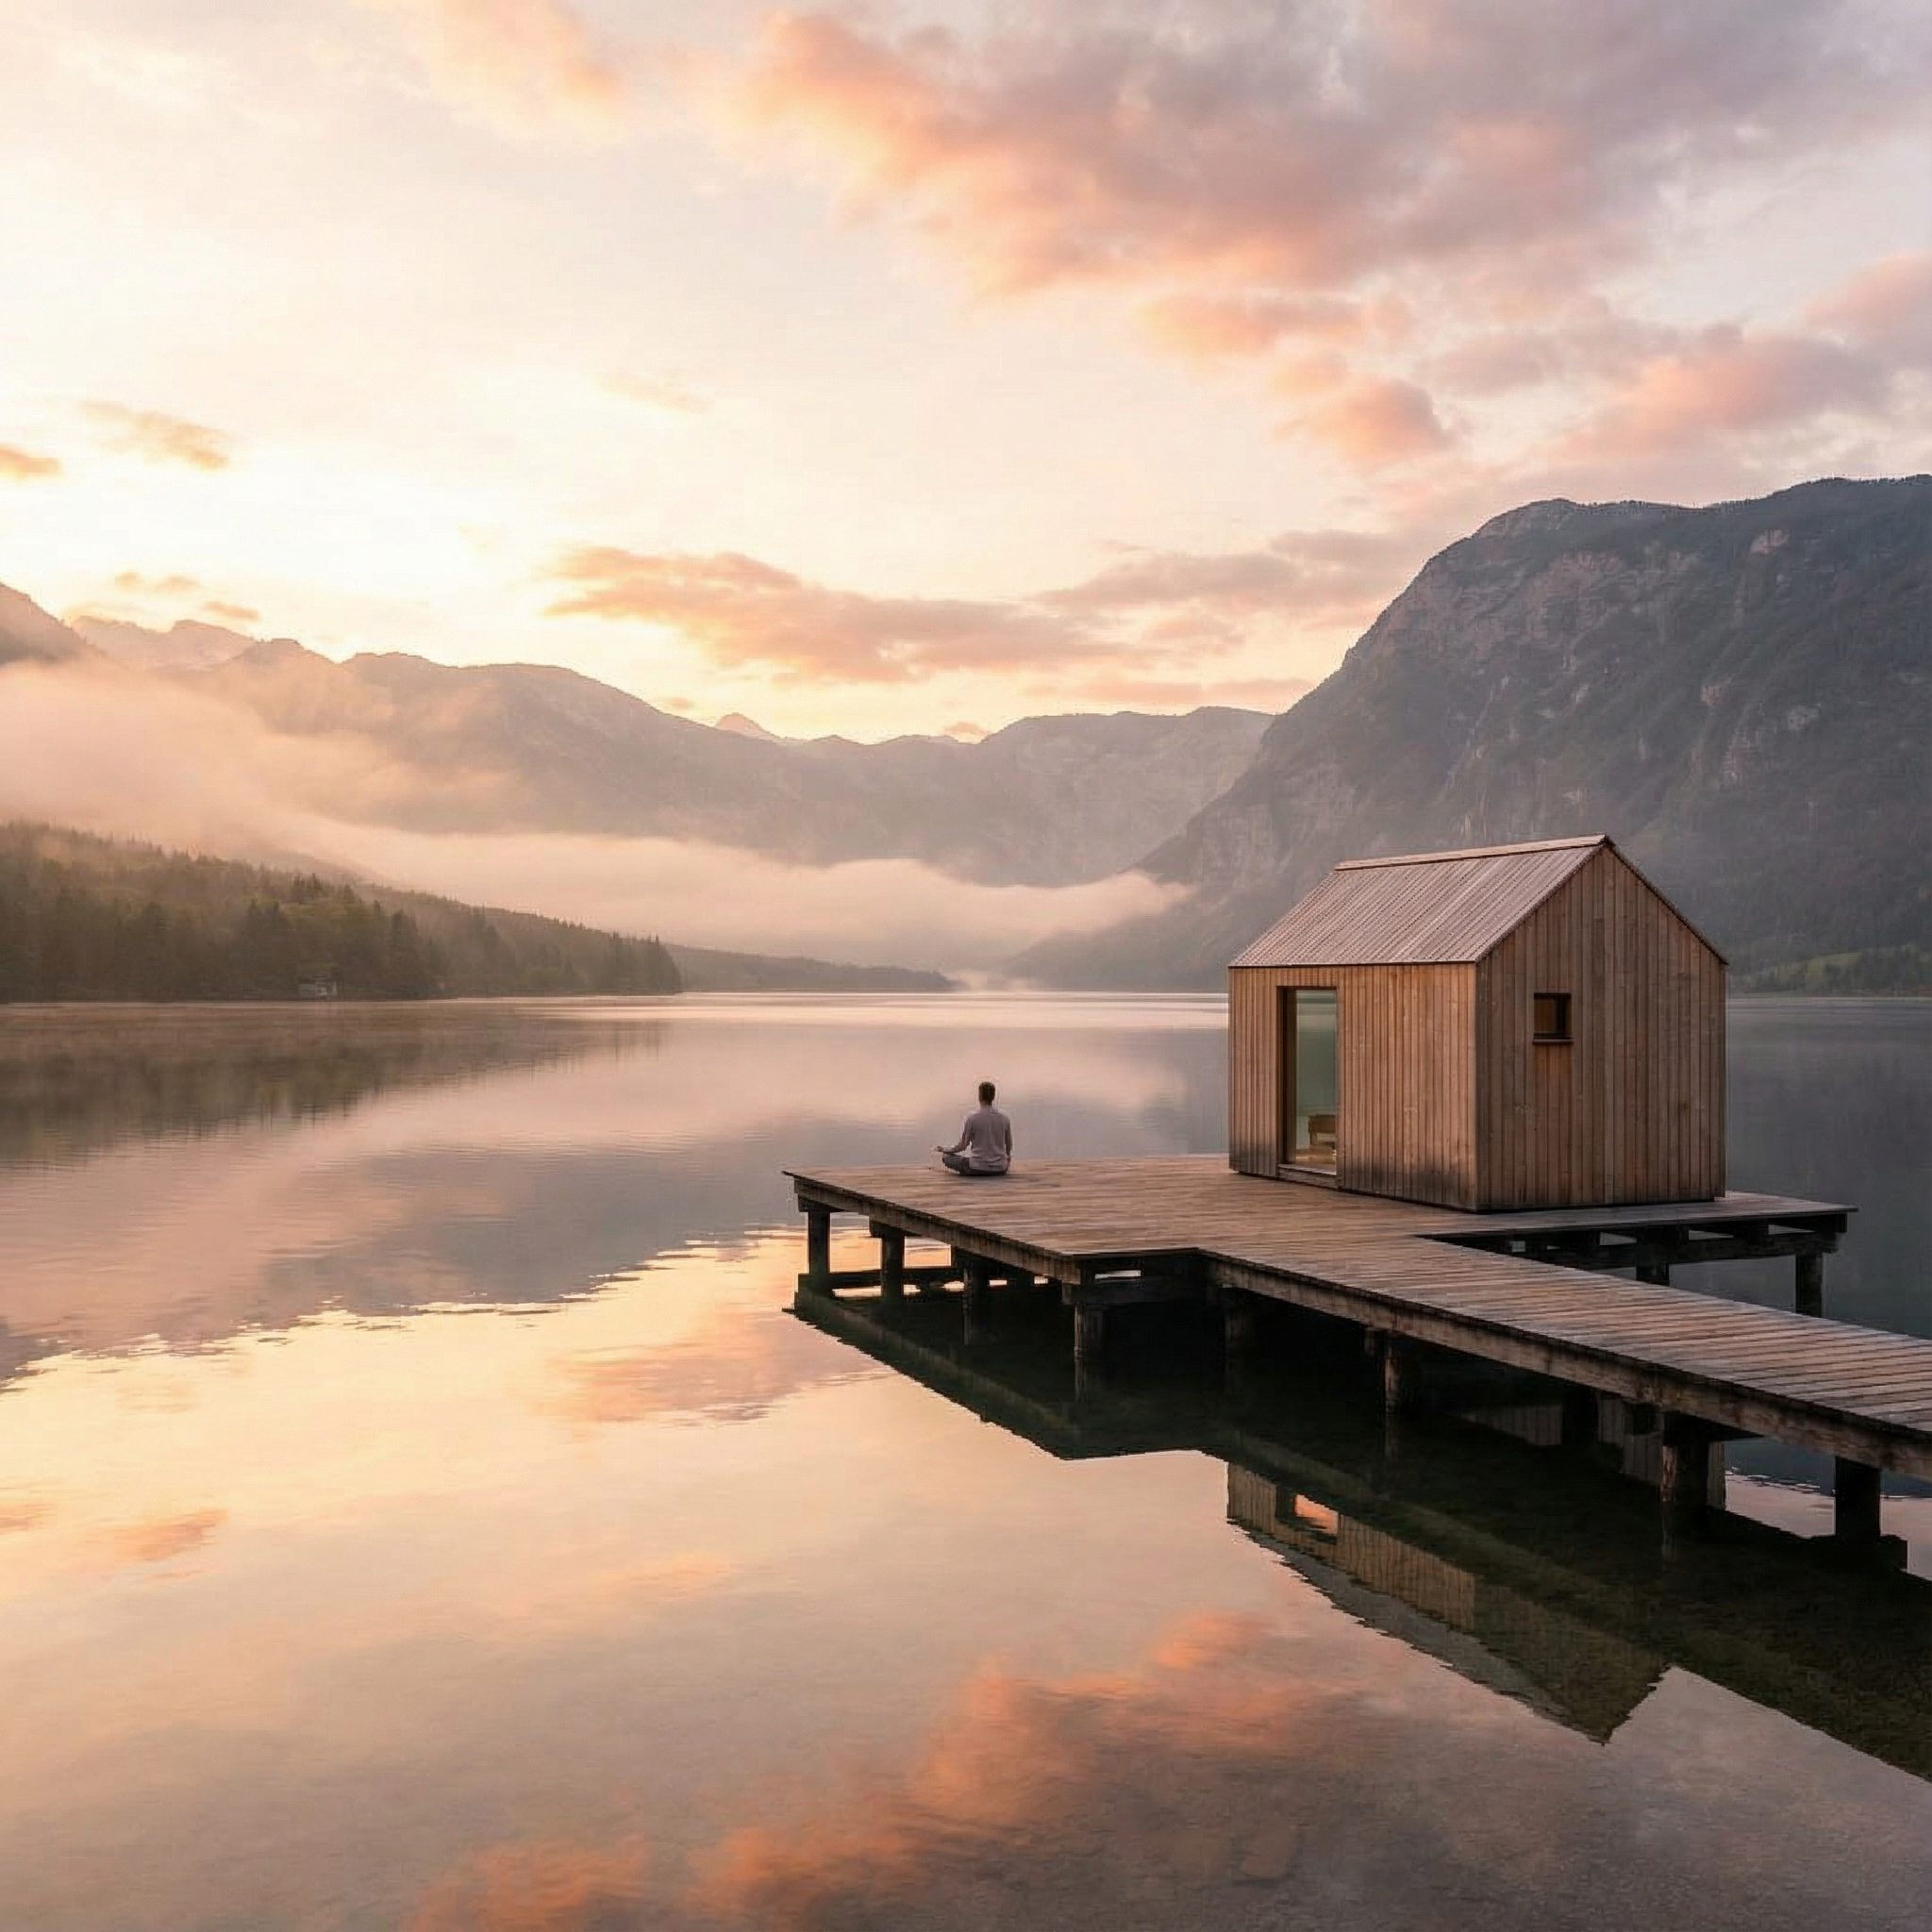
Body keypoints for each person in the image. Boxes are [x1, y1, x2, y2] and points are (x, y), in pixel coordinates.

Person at [937, 1081, 1011, 1175]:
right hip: (1000, 1168)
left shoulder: (972, 1118)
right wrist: (1006, 1162)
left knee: (946, 1158)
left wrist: (946, 1150)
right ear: (993, 1097)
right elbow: (1009, 1145)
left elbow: (962, 1146)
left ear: (979, 1096)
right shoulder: (1004, 1118)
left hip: (977, 1167)